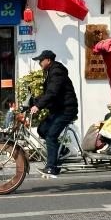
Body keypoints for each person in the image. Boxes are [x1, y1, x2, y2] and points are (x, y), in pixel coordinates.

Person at [30, 49, 78, 178]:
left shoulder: (56, 72)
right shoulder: (51, 72)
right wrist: (33, 103)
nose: (39, 63)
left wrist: (38, 106)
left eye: (41, 60)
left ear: (48, 60)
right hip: (58, 109)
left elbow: (52, 93)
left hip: (67, 109)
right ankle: (62, 151)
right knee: (42, 129)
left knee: (51, 136)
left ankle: (51, 167)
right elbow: (48, 94)